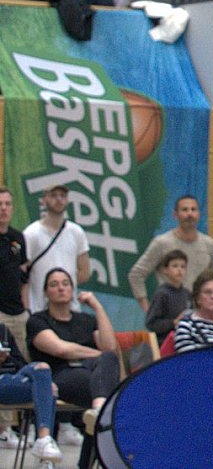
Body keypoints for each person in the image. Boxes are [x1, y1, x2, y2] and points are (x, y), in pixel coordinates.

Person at [27, 269, 118, 439]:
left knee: (109, 360)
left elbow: (110, 347)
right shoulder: (37, 321)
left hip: (91, 375)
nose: (61, 288)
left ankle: (99, 410)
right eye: (54, 284)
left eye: (65, 283)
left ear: (73, 289)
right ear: (45, 292)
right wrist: (98, 354)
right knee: (106, 385)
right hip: (59, 376)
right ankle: (101, 411)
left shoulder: (86, 320)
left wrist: (97, 307)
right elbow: (61, 349)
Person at [127, 194, 213, 314]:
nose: (189, 214)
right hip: (170, 315)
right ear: (175, 215)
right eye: (184, 210)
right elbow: (136, 274)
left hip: (202, 314)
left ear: (199, 214)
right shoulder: (162, 243)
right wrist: (149, 310)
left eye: (193, 209)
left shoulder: (209, 244)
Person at [22, 180, 89, 309]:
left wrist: (63, 288)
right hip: (39, 309)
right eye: (53, 195)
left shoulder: (76, 232)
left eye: (63, 196)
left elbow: (84, 272)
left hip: (70, 309)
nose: (58, 199)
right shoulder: (31, 234)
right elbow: (22, 274)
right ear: (43, 200)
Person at [0, 322, 61, 463]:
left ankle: (44, 441)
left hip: (12, 379)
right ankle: (46, 460)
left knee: (42, 369)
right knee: (47, 389)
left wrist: (6, 358)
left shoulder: (2, 330)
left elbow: (20, 363)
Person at [0, 187, 26, 357]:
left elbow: (24, 275)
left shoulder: (18, 237)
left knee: (22, 360)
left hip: (19, 313)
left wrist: (26, 309)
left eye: (7, 204)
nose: (3, 208)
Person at [143, 250, 190, 339]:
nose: (179, 270)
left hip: (184, 340)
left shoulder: (187, 294)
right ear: (165, 270)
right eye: (175, 266)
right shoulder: (162, 294)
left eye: (183, 266)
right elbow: (151, 323)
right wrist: (173, 322)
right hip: (164, 342)